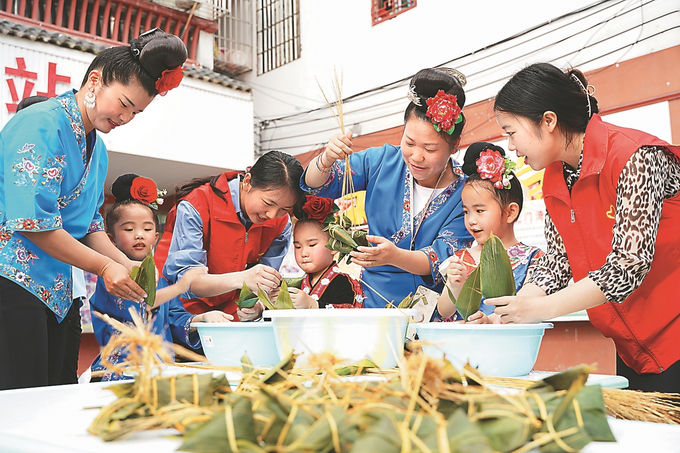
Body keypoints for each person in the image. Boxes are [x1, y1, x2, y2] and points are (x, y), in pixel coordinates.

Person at [0, 29, 188, 390]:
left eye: (137, 111)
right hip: (12, 280)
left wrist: (126, 266)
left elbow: (89, 225)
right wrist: (105, 266)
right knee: (17, 398)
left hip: (57, 291)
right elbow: (32, 223)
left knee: (53, 396)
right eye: (124, 103)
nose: (127, 117)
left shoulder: (97, 149)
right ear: (95, 80)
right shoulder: (40, 122)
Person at [488, 62, 680, 393]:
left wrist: (543, 308)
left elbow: (629, 265)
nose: (511, 147)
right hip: (632, 347)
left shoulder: (634, 156)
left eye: (510, 132)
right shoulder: (554, 177)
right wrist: (511, 312)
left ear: (548, 121)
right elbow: (556, 264)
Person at [302, 68, 474, 308]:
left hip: (432, 308)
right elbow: (318, 184)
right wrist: (327, 159)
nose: (416, 156)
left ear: (454, 146)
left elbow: (441, 256)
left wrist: (395, 256)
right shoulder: (382, 161)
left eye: (430, 149)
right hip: (372, 300)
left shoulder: (465, 193)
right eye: (409, 142)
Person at [90, 174, 231, 381]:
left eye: (147, 229)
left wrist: (203, 318)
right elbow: (129, 312)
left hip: (160, 369)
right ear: (111, 239)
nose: (139, 235)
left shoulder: (161, 279)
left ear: (156, 237)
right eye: (129, 229)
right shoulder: (112, 277)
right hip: (122, 369)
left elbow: (176, 318)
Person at [156, 150, 307, 321]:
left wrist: (258, 305)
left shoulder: (282, 224)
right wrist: (242, 278)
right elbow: (185, 282)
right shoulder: (196, 205)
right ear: (247, 182)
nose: (272, 215)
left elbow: (264, 282)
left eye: (284, 209)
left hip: (231, 314)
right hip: (178, 311)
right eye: (268, 203)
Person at [436, 142, 543, 323]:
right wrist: (454, 286)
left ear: (510, 212)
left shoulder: (534, 259)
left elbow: (529, 306)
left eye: (479, 211)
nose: (471, 220)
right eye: (466, 211)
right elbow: (444, 311)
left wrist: (490, 321)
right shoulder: (461, 258)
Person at [273, 195, 364, 309]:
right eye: (298, 247)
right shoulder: (295, 285)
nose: (304, 253)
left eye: (312, 245)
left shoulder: (345, 283)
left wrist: (314, 305)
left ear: (333, 246)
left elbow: (351, 316)